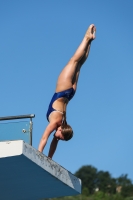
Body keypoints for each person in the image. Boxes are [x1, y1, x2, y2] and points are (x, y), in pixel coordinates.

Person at [38, 24, 96, 158]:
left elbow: (54, 142)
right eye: (60, 137)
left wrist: (49, 158)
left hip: (70, 93)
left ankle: (90, 41)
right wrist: (39, 154)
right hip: (63, 90)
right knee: (74, 61)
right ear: (61, 131)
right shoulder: (55, 123)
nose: (57, 138)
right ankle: (87, 37)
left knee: (79, 64)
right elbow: (44, 138)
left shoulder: (63, 122)